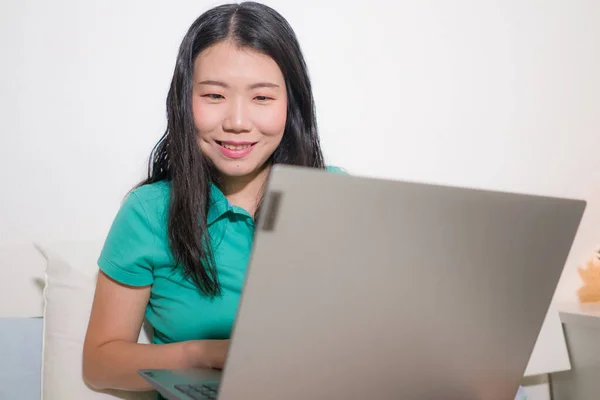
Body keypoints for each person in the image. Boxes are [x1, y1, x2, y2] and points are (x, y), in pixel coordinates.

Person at [82, 0, 344, 394]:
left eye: (262, 98)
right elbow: (99, 364)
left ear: (292, 106)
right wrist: (202, 354)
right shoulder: (150, 212)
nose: (237, 122)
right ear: (185, 102)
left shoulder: (335, 195)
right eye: (214, 96)